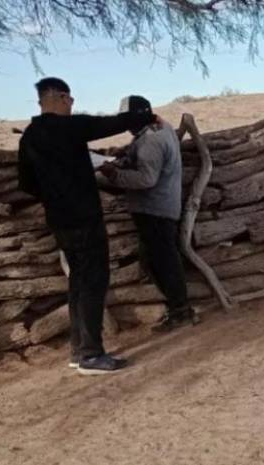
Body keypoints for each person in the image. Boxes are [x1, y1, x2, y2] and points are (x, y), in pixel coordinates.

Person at [18, 78, 159, 374]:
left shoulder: (29, 137)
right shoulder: (69, 128)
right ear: (58, 97)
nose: (72, 104)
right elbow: (110, 124)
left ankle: (78, 349)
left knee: (78, 282)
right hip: (83, 217)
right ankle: (92, 355)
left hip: (59, 219)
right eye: (69, 99)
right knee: (93, 281)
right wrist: (147, 116)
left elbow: (27, 184)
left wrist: (53, 195)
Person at [99, 95, 199, 332]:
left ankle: (180, 310)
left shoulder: (151, 141)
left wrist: (114, 174)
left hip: (155, 209)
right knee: (161, 259)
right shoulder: (159, 129)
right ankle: (179, 309)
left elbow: (146, 179)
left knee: (163, 262)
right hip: (160, 207)